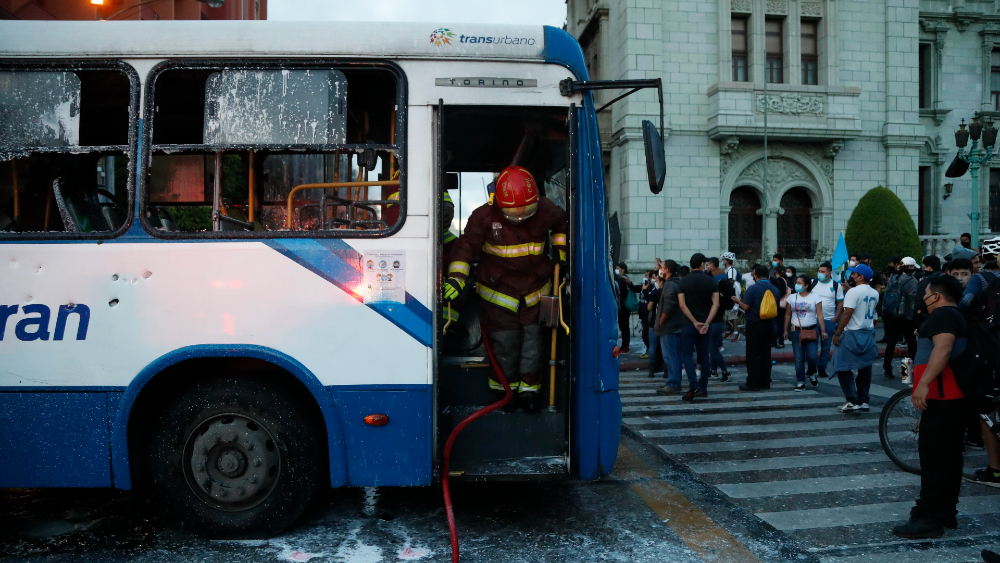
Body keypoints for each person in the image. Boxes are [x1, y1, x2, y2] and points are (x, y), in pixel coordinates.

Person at [443, 165, 567, 412]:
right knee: (505, 346)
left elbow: (562, 224)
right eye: (513, 212)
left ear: (536, 200)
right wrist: (456, 278)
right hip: (498, 295)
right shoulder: (483, 217)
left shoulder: (547, 209)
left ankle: (530, 393)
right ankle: (504, 393)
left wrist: (561, 253)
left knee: (534, 345)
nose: (520, 216)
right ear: (497, 202)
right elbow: (464, 249)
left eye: (526, 210)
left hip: (535, 292)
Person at [892, 276, 969, 539]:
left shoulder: (943, 315)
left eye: (925, 293)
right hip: (951, 398)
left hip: (942, 397)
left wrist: (923, 384)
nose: (922, 298)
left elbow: (943, 349)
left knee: (934, 459)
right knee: (948, 458)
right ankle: (945, 512)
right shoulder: (954, 315)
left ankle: (928, 518)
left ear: (935, 296)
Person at [831, 263, 879, 413]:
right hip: (868, 332)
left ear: (861, 277)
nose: (851, 276)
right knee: (865, 368)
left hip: (852, 332)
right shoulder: (874, 293)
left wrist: (837, 333)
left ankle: (852, 399)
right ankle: (864, 399)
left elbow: (848, 313)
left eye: (854, 274)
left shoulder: (854, 293)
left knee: (842, 366)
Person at [676, 253, 720, 401]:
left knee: (687, 355)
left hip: (689, 324)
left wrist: (694, 321)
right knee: (703, 356)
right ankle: (703, 388)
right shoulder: (710, 281)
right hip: (706, 325)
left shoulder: (683, 281)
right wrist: (706, 322)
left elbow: (682, 304)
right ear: (702, 264)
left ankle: (693, 384)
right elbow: (716, 304)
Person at [733, 264, 781, 391]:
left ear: (756, 275)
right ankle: (765, 381)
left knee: (753, 354)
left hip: (754, 324)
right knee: (766, 354)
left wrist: (738, 301)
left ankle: (753, 383)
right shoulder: (774, 289)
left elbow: (745, 307)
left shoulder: (753, 289)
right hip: (770, 324)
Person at [785, 275, 826, 390]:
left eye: (799, 283)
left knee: (812, 356)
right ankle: (801, 381)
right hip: (796, 331)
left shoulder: (815, 297)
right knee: (799, 358)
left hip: (812, 330)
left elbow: (820, 314)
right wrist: (785, 330)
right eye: (796, 282)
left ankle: (812, 372)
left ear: (806, 285)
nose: (796, 285)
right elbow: (788, 314)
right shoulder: (792, 298)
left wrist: (823, 330)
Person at [882, 256, 919, 379]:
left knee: (891, 343)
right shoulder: (912, 281)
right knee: (911, 343)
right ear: (909, 267)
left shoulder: (893, 278)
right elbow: (913, 299)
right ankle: (915, 369)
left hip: (892, 315)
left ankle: (887, 369)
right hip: (906, 317)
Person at [654, 260, 685, 395]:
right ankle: (675, 382)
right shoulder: (677, 282)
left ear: (667, 270)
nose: (660, 270)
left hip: (669, 326)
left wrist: (661, 320)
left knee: (670, 356)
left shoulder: (670, 285)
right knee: (675, 355)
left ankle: (673, 383)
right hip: (677, 324)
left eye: (661, 267)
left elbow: (670, 303)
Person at [814, 261, 844, 378]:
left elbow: (840, 302)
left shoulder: (836, 286)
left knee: (826, 348)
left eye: (823, 272)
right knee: (812, 347)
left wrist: (836, 317)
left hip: (828, 321)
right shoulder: (813, 283)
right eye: (819, 271)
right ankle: (812, 368)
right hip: (813, 320)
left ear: (829, 273)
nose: (820, 274)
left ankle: (822, 368)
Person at [710, 264, 735, 382]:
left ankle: (725, 371)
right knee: (714, 348)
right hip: (718, 324)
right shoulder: (724, 300)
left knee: (712, 349)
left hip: (712, 324)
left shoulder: (716, 299)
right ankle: (713, 370)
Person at [615, 262, 642, 354]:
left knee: (624, 327)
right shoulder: (625, 280)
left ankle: (625, 345)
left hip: (622, 308)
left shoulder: (622, 280)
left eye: (618, 268)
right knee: (624, 326)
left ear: (623, 269)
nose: (617, 270)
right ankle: (625, 344)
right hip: (624, 307)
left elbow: (622, 294)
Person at [915, 255, 942, 329]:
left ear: (929, 267)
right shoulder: (946, 278)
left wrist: (916, 324)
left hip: (927, 317)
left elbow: (919, 302)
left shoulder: (925, 282)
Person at [638, 270, 658, 359]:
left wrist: (645, 291)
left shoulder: (654, 289)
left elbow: (650, 301)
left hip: (650, 315)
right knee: (645, 334)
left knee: (647, 335)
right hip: (644, 313)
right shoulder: (644, 286)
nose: (646, 277)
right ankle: (649, 351)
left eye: (648, 276)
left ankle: (652, 355)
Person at [770, 265, 790, 348]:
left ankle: (778, 342)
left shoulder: (779, 280)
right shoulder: (786, 280)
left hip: (779, 305)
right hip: (783, 305)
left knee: (777, 324)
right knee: (780, 323)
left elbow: (780, 292)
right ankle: (778, 341)